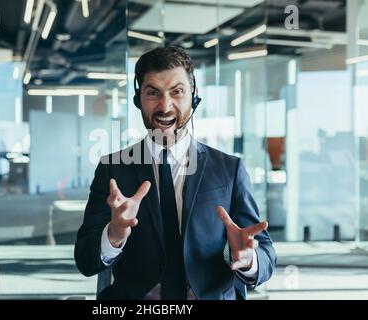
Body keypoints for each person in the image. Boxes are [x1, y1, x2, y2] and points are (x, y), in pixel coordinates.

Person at [75, 46, 276, 300]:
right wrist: (113, 234)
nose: (165, 106)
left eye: (177, 92)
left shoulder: (229, 169)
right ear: (139, 100)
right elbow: (85, 260)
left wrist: (248, 259)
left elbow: (267, 255)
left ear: (194, 95)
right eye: (153, 93)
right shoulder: (112, 169)